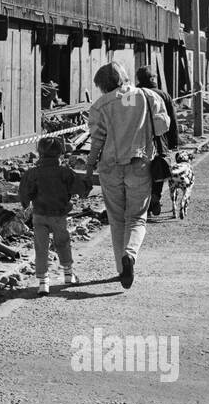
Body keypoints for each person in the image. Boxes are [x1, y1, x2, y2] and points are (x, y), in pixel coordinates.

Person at [84, 62, 170, 290]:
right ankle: (130, 255)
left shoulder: (100, 105)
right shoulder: (147, 96)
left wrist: (89, 167)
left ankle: (121, 270)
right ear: (124, 76)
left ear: (102, 85)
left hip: (110, 167)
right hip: (139, 163)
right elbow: (163, 127)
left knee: (116, 219)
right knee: (137, 218)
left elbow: (97, 141)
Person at [19, 136, 92, 295]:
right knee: (63, 243)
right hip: (59, 216)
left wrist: (26, 204)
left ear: (40, 153)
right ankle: (68, 275)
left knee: (41, 247)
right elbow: (80, 188)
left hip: (39, 216)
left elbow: (25, 192)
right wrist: (87, 183)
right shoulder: (65, 172)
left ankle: (43, 282)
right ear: (60, 154)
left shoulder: (33, 173)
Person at [135, 66, 180, 218]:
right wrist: (174, 141)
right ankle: (155, 197)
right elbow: (172, 120)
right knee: (159, 168)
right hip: (160, 140)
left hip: (138, 139)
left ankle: (144, 201)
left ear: (139, 79)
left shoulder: (132, 94)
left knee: (141, 170)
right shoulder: (164, 95)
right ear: (153, 79)